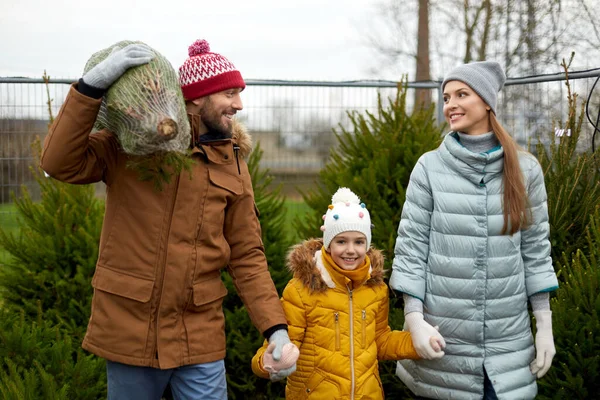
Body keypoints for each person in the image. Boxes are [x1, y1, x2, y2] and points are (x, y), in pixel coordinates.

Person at [40, 39, 293, 400]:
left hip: (199, 335)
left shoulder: (231, 161)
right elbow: (58, 162)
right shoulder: (129, 145)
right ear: (197, 98)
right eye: (229, 93)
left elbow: (247, 254)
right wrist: (90, 87)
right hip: (131, 330)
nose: (239, 104)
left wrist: (275, 329)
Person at [389, 61, 559, 399]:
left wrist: (544, 326)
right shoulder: (429, 168)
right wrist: (415, 319)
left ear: (487, 102)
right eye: (446, 96)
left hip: (508, 348)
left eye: (461, 94)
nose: (450, 104)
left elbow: (536, 252)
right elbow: (411, 250)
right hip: (442, 343)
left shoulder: (525, 169)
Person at [251, 187, 444, 399]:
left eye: (359, 242)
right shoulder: (301, 290)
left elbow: (380, 341)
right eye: (341, 241)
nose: (350, 250)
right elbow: (281, 345)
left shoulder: (376, 289)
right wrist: (267, 363)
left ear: (367, 244)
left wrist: (417, 342)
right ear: (328, 243)